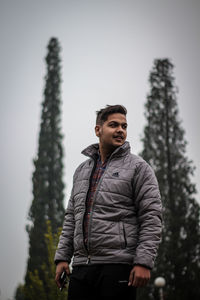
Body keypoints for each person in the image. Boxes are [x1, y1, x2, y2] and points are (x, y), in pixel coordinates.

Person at [55, 105, 162, 300]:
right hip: (81, 268)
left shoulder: (139, 168)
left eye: (124, 126)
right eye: (113, 125)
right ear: (98, 130)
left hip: (118, 267)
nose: (120, 130)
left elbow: (151, 217)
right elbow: (72, 217)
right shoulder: (81, 171)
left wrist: (144, 262)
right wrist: (62, 258)